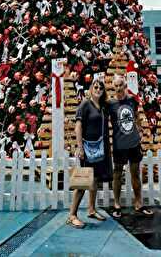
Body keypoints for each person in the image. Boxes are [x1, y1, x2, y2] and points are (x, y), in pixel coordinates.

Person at [66, 79, 112, 228]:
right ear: (91, 89)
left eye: (101, 87)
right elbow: (78, 127)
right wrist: (80, 148)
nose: (98, 89)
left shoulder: (103, 107)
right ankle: (72, 215)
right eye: (96, 86)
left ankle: (91, 209)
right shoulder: (85, 104)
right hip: (87, 148)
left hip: (100, 148)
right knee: (82, 182)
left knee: (95, 179)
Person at [109, 74, 153, 218]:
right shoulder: (110, 104)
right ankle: (116, 203)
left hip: (133, 143)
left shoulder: (132, 100)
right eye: (116, 85)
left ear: (125, 85)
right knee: (117, 174)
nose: (118, 88)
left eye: (120, 85)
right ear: (113, 87)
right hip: (119, 144)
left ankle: (138, 202)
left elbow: (137, 116)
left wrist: (140, 130)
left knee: (135, 173)